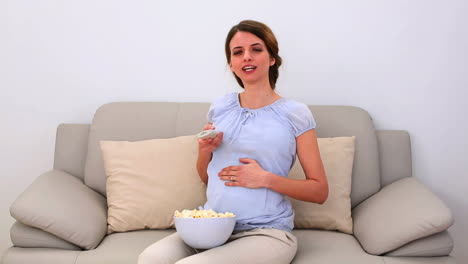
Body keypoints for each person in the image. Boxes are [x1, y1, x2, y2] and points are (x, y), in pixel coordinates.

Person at [138, 19, 328, 264]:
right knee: (150, 260)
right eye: (238, 52)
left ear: (272, 59)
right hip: (212, 226)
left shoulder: (295, 113)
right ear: (231, 64)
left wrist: (264, 178)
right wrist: (204, 151)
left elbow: (319, 191)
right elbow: (209, 177)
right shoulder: (220, 108)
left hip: (266, 233)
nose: (246, 57)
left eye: (256, 49)